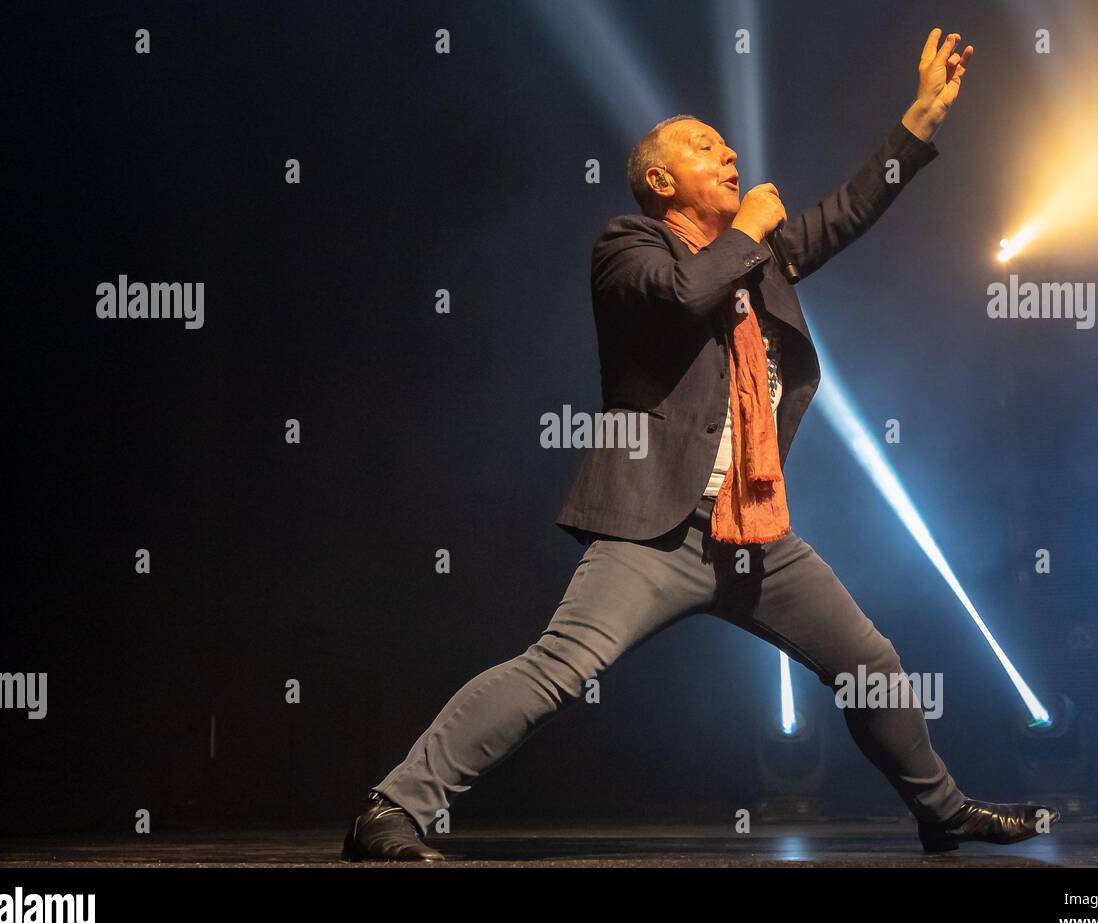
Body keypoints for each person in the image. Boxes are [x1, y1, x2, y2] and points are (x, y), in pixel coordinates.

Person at [343, 28, 1060, 862]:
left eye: (726, 147)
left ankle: (943, 811)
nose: (727, 156)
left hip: (754, 532)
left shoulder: (758, 259)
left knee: (870, 659)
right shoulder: (626, 246)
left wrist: (919, 121)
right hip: (656, 529)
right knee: (558, 668)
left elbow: (848, 211)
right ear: (660, 181)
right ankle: (390, 809)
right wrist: (750, 227)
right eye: (703, 148)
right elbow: (687, 294)